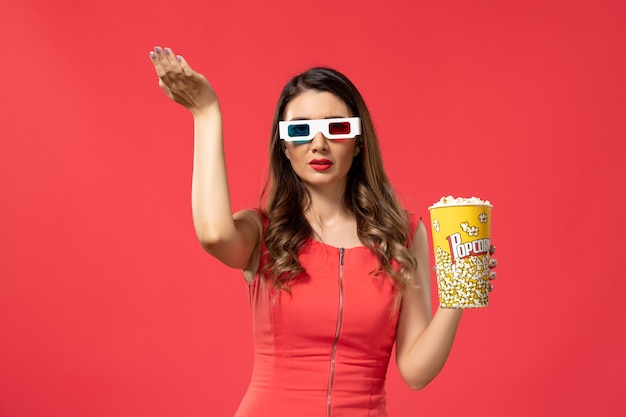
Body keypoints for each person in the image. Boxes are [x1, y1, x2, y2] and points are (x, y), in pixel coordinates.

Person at [149, 46, 498, 417]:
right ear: (283, 146)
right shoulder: (263, 231)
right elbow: (214, 235)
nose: (319, 143)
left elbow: (415, 371)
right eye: (300, 130)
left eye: (337, 127)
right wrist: (205, 113)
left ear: (359, 140)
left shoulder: (404, 234)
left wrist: (458, 297)